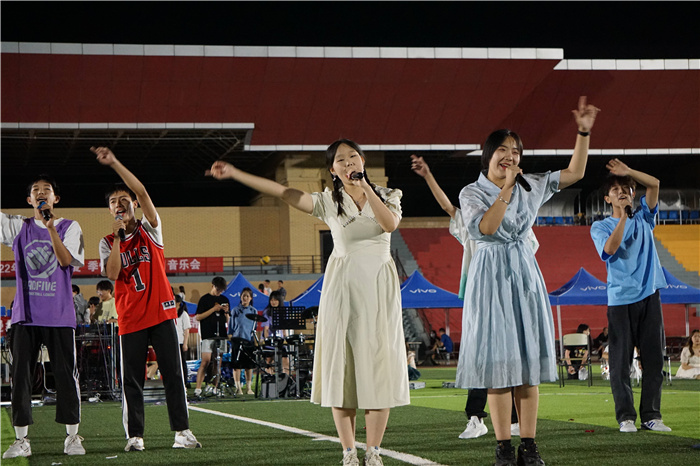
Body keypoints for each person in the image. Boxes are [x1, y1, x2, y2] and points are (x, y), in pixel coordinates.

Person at [208, 139, 409, 466]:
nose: (348, 162)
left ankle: (373, 452)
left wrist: (365, 188)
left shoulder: (387, 195)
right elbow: (284, 192)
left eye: (353, 156)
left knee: (378, 369)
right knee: (343, 369)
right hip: (343, 289)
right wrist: (236, 173)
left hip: (378, 290)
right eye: (341, 160)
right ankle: (349, 452)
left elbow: (389, 224)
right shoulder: (329, 202)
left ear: (362, 160)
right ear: (332, 170)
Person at [457, 97, 600, 465]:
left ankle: (530, 446)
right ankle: (504, 447)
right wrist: (506, 188)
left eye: (516, 151)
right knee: (498, 368)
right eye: (502, 150)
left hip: (524, 274)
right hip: (490, 277)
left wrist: (583, 133)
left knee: (527, 366)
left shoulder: (531, 185)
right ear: (488, 156)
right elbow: (487, 229)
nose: (510, 156)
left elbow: (575, 172)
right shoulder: (471, 193)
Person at [93, 146, 201, 451]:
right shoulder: (107, 242)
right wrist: (118, 239)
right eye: (113, 202)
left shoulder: (151, 229)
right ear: (109, 210)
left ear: (134, 203)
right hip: (130, 318)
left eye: (123, 200)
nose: (118, 204)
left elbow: (141, 189)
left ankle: (182, 431)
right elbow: (112, 274)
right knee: (132, 380)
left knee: (173, 375)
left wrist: (115, 162)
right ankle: (135, 436)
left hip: (162, 312)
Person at [411, 154, 523, 440]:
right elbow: (448, 207)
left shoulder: (514, 219)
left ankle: (513, 419)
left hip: (508, 293)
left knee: (508, 355)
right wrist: (428, 176)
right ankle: (476, 417)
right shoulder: (473, 218)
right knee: (481, 354)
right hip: (480, 293)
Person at [1, 174, 86, 458]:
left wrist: (50, 228)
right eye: (35, 190)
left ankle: (72, 437)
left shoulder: (70, 227)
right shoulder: (18, 226)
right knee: (21, 378)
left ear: (55, 199)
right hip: (25, 317)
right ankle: (21, 440)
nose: (41, 192)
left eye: (46, 190)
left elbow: (65, 260)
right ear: (29, 199)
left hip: (59, 316)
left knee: (66, 376)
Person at [590, 158, 671, 433]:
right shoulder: (600, 227)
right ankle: (626, 417)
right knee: (620, 363)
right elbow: (610, 250)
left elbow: (655, 184)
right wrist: (624, 216)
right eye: (615, 189)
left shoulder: (646, 217)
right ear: (607, 199)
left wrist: (629, 172)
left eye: (626, 188)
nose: (621, 192)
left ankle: (652, 416)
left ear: (633, 193)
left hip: (650, 295)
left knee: (654, 360)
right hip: (621, 300)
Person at [194, 276, 230, 397]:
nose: (219, 292)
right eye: (217, 289)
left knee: (217, 362)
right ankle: (198, 388)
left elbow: (227, 320)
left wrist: (226, 312)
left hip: (221, 334)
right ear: (212, 286)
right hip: (208, 334)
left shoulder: (224, 299)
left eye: (221, 290)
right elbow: (198, 317)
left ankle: (215, 387)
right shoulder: (204, 299)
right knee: (206, 360)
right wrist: (213, 309)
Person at [228, 287, 258, 395]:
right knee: (237, 365)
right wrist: (231, 337)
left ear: (250, 298)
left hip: (248, 340)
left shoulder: (253, 311)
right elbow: (231, 326)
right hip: (237, 340)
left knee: (248, 366)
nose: (245, 298)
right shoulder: (235, 310)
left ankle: (248, 388)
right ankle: (238, 388)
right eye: (243, 295)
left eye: (247, 296)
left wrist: (255, 341)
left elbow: (254, 328)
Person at [175, 296, 193, 388]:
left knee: (182, 363)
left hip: (180, 342)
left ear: (178, 303)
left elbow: (186, 330)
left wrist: (185, 343)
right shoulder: (170, 313)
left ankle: (184, 383)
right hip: (172, 342)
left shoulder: (184, 314)